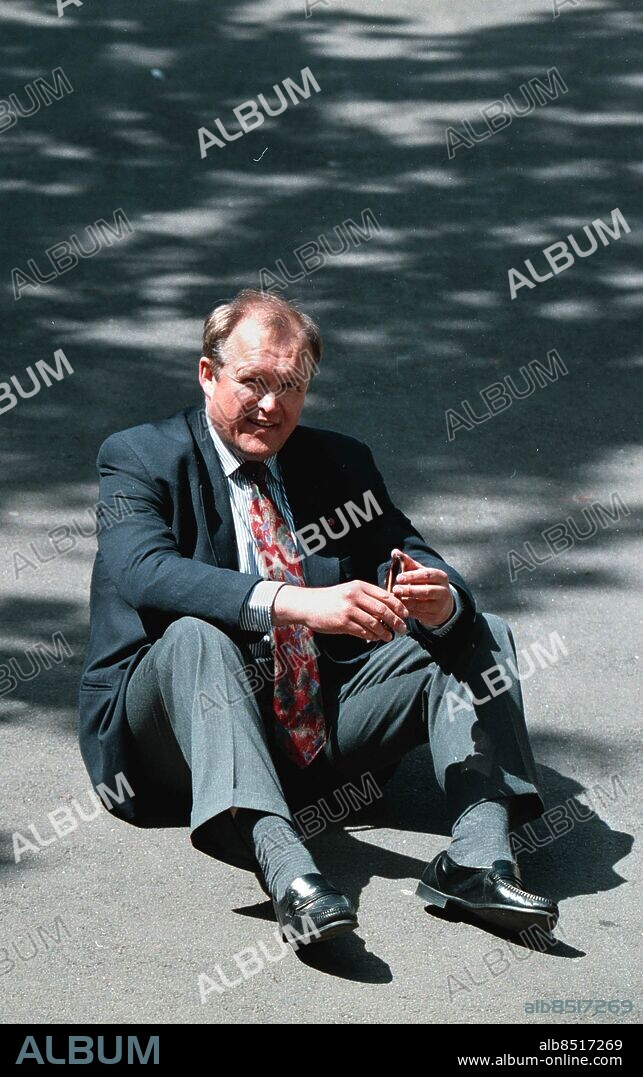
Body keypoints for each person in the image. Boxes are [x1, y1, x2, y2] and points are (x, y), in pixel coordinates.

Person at [78, 289, 558, 947]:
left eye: (291, 386)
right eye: (253, 381)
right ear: (208, 373)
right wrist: (295, 602)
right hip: (172, 740)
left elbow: (408, 551)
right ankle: (285, 868)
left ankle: (476, 859)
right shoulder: (139, 456)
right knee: (195, 636)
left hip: (311, 727)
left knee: (479, 629)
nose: (270, 405)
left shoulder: (338, 461)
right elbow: (145, 571)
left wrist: (437, 597)